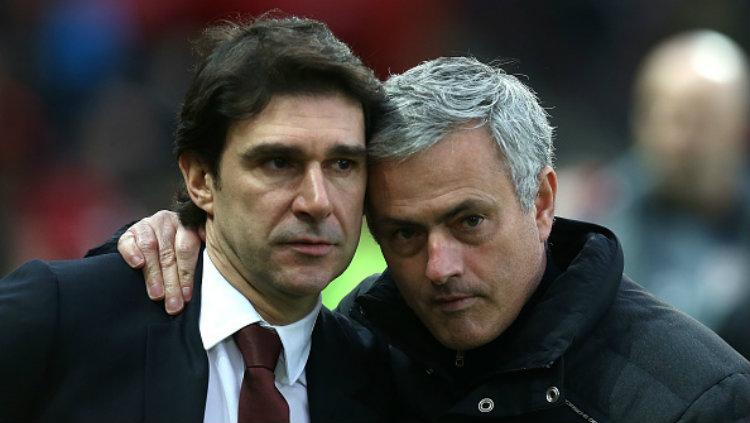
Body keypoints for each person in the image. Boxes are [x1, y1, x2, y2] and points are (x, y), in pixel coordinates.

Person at [116, 56, 750, 421]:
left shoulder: (698, 399)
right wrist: (180, 235)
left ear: (542, 201)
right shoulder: (354, 339)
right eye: (404, 233)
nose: (439, 267)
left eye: (468, 222)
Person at [0, 16, 397, 423]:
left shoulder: (383, 382)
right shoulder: (67, 314)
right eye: (279, 162)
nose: (318, 201)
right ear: (200, 179)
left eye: (343, 164)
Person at [556, 30, 750, 333]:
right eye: (673, 118)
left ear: (740, 128)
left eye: (702, 121)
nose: (683, 141)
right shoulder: (587, 218)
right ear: (641, 121)